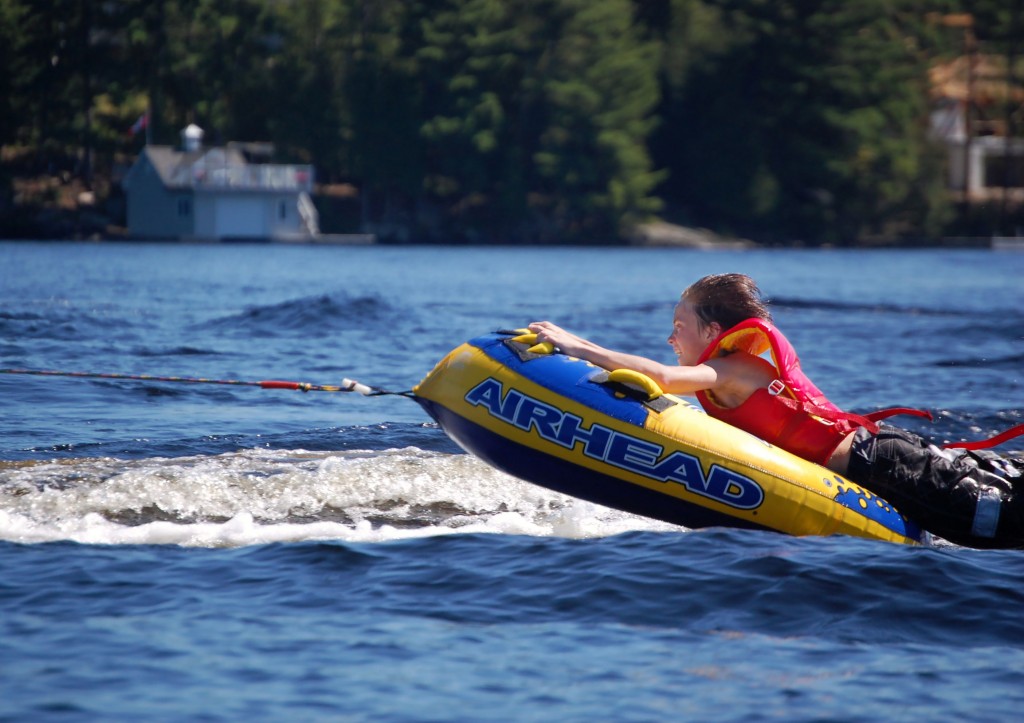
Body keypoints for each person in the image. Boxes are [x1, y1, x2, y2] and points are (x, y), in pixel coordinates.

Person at [529, 273, 1024, 549]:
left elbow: (660, 378)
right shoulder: (726, 376)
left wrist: (577, 345)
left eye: (680, 325)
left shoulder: (731, 366)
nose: (670, 336)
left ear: (712, 331)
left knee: (995, 524)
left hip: (888, 464)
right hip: (881, 463)